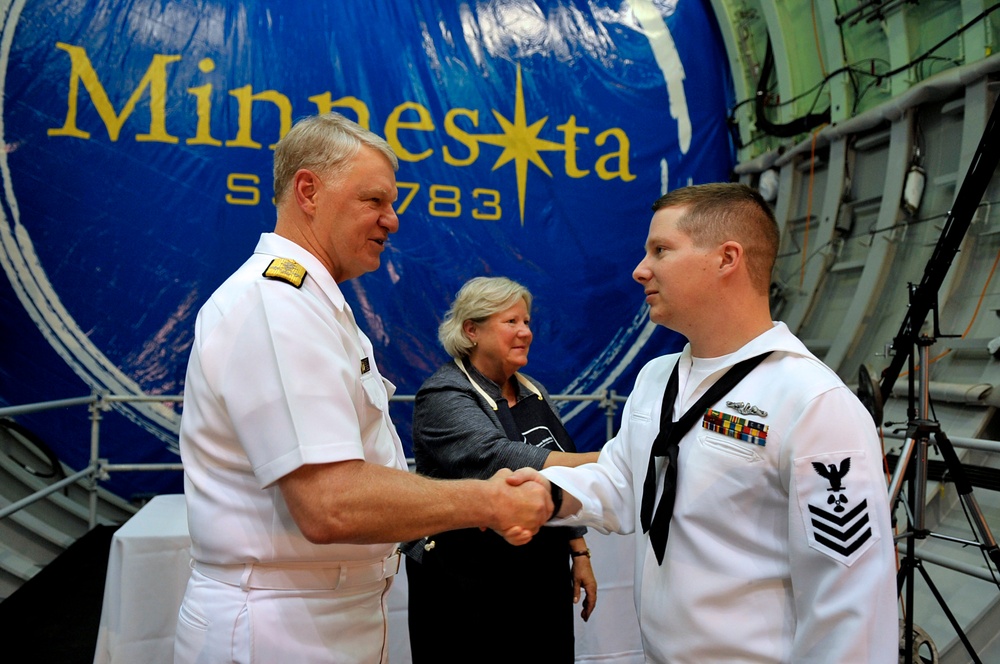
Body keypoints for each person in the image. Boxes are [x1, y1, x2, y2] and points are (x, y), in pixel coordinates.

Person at [173, 112, 553, 664]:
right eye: (374, 201)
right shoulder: (277, 303)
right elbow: (331, 504)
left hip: (318, 612)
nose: (392, 221)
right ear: (309, 190)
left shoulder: (311, 303)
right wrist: (486, 501)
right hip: (280, 626)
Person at [509, 182, 899, 662]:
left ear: (726, 258)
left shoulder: (811, 402)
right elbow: (626, 479)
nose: (640, 270)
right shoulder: (658, 378)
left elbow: (850, 603)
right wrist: (548, 493)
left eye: (661, 250)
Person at [401, 276, 599, 663]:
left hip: (539, 570)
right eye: (511, 322)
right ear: (471, 330)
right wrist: (614, 458)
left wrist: (580, 552)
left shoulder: (532, 390)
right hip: (465, 577)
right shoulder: (443, 394)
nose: (525, 332)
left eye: (527, 322)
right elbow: (500, 457)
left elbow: (561, 475)